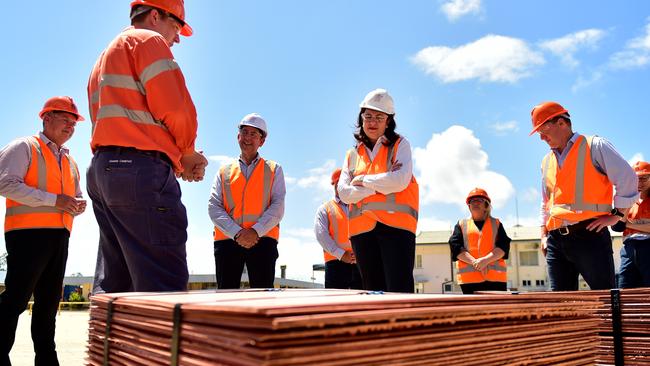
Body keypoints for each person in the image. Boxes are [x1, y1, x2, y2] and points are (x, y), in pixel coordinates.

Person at [86, 0, 207, 293]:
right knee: (162, 285)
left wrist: (176, 156)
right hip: (138, 172)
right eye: (175, 26)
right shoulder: (148, 40)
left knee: (118, 284)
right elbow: (175, 109)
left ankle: (113, 340)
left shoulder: (103, 58)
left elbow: (123, 122)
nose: (176, 38)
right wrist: (187, 153)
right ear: (155, 16)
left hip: (103, 172)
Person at [0, 96, 86, 365]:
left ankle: (47, 361)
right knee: (16, 299)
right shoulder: (24, 147)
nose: (70, 126)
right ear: (46, 118)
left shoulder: (70, 161)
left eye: (74, 123)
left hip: (59, 235)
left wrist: (77, 204)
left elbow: (74, 195)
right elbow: (4, 184)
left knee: (49, 305)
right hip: (27, 234)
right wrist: (54, 200)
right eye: (65, 120)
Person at [530, 101, 638, 291]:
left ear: (561, 123)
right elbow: (546, 202)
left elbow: (627, 178)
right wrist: (543, 235)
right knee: (561, 305)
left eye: (542, 130)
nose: (541, 138)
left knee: (604, 298)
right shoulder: (546, 161)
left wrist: (618, 215)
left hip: (589, 234)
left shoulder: (595, 146)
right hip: (555, 239)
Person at [337, 89, 419, 293]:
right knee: (372, 293)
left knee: (399, 291)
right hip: (362, 232)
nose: (372, 122)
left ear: (388, 121)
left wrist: (363, 181)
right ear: (361, 118)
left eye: (379, 117)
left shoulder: (401, 145)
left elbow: (399, 181)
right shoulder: (353, 153)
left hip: (396, 229)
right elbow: (344, 193)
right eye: (368, 116)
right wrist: (379, 187)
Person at [209, 113, 286, 289]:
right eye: (245, 132)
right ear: (238, 136)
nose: (248, 138)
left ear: (262, 141)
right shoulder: (223, 171)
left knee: (262, 299)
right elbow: (214, 207)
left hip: (263, 241)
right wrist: (237, 233)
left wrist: (255, 231)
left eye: (254, 134)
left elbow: (278, 206)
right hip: (227, 241)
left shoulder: (274, 169)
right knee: (226, 300)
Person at [448, 188, 510, 294]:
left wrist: (485, 261)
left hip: (496, 279)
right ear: (469, 206)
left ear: (486, 205)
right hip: (469, 281)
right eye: (472, 201)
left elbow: (503, 247)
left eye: (479, 200)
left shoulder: (496, 223)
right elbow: (455, 247)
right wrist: (476, 263)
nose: (475, 203)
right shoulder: (461, 224)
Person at [314, 168, 362, 289]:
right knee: (335, 305)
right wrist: (341, 254)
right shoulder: (325, 209)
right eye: (338, 182)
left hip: (360, 265)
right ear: (334, 185)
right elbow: (321, 235)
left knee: (361, 305)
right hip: (335, 265)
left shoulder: (360, 206)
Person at [614, 161, 650, 288]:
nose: (639, 183)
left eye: (644, 178)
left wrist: (628, 224)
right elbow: (617, 226)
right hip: (628, 249)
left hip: (648, 248)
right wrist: (629, 199)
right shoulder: (625, 199)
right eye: (636, 179)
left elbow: (623, 224)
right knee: (624, 288)